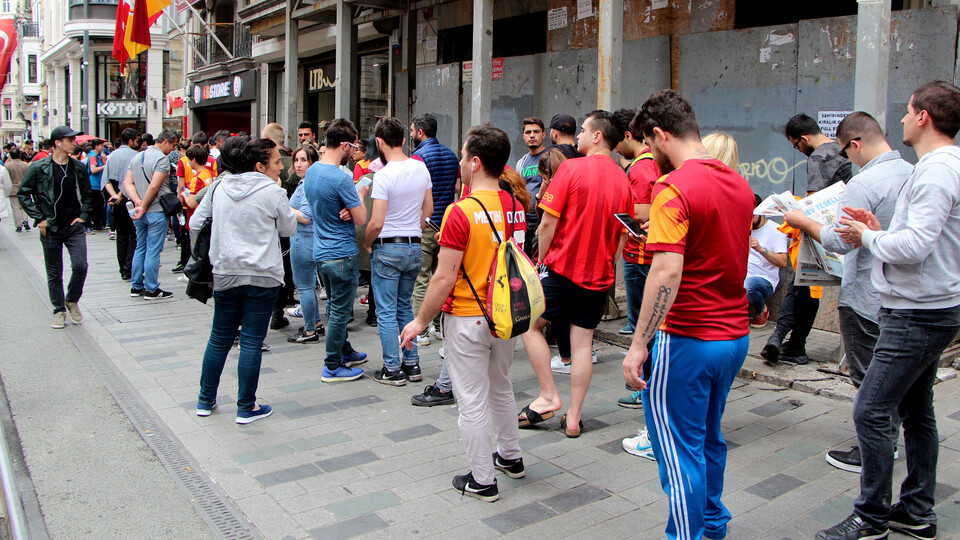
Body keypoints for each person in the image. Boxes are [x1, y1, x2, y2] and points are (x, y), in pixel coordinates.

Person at [817, 81, 960, 540]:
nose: (900, 119)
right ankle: (916, 511)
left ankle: (872, 517)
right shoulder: (938, 166)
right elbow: (924, 235)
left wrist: (867, 238)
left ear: (924, 117)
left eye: (908, 111)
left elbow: (916, 247)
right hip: (929, 307)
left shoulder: (937, 170)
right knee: (918, 412)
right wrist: (880, 229)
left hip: (916, 313)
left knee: (871, 410)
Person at [623, 90, 754, 540]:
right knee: (707, 438)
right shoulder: (738, 182)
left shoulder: (673, 185)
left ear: (660, 136)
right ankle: (713, 521)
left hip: (688, 338)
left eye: (647, 144)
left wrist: (639, 343)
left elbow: (666, 270)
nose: (648, 154)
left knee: (678, 451)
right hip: (733, 337)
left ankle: (687, 535)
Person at [400, 124, 526, 503]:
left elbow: (443, 277)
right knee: (501, 386)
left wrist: (420, 320)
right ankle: (511, 456)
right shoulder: (517, 205)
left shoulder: (461, 212)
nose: (458, 162)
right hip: (505, 316)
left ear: (474, 162)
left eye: (461, 155)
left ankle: (482, 480)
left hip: (468, 317)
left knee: (470, 398)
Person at [784, 111, 913, 477]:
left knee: (867, 380)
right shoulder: (910, 172)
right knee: (887, 377)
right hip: (896, 294)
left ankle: (875, 449)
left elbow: (840, 239)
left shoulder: (864, 183)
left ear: (855, 144)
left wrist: (804, 221)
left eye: (845, 151)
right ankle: (888, 440)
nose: (846, 159)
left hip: (865, 295)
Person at [519, 110, 633, 437]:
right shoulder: (622, 178)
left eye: (583, 130)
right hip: (598, 276)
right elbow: (623, 235)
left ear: (598, 136)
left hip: (562, 269)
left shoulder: (570, 168)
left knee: (529, 324)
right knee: (583, 345)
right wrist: (609, 261)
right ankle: (573, 418)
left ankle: (548, 394)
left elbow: (548, 222)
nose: (578, 135)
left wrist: (542, 258)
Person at [191, 136, 297, 424]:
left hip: (225, 271)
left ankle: (204, 400)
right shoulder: (273, 192)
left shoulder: (219, 187)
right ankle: (245, 407)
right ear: (260, 166)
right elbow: (288, 228)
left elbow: (194, 222)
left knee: (219, 338)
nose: (281, 167)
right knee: (251, 341)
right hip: (262, 275)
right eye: (277, 162)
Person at [763, 113, 854, 364]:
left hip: (820, 233)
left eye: (796, 145)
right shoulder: (841, 150)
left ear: (804, 138)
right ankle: (791, 343)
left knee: (801, 285)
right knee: (806, 289)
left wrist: (793, 211)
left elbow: (813, 202)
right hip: (842, 231)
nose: (798, 150)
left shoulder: (819, 156)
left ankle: (785, 340)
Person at [363, 117, 432, 386]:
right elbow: (428, 211)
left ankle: (392, 368)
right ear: (404, 139)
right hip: (414, 245)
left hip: (388, 247)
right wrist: (414, 230)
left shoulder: (383, 176)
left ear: (379, 142)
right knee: (405, 307)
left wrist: (367, 242)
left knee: (386, 310)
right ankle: (412, 364)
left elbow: (376, 222)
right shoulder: (420, 169)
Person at [302, 118, 370, 383]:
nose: (354, 151)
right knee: (340, 311)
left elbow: (325, 206)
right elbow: (361, 218)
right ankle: (332, 365)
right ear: (343, 146)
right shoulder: (340, 179)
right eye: (352, 146)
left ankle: (344, 350)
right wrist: (359, 194)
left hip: (321, 251)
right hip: (342, 253)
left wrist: (347, 206)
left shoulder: (312, 172)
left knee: (334, 306)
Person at [17, 126, 96, 329]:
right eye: (70, 140)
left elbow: (88, 195)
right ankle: (58, 310)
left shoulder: (77, 167)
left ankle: (72, 300)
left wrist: (83, 216)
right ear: (58, 143)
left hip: (74, 226)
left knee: (80, 266)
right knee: (54, 271)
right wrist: (39, 218)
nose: (75, 143)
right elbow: (24, 193)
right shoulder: (39, 167)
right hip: (50, 226)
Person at [409, 113, 460, 347]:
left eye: (412, 131)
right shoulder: (451, 155)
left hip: (427, 224)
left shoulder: (418, 157)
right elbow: (458, 187)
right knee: (444, 276)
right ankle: (440, 325)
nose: (410, 135)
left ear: (421, 132)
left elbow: (415, 193)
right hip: (448, 224)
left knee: (422, 277)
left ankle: (420, 329)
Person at [124, 129, 179, 300]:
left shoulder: (136, 157)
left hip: (139, 212)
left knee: (141, 246)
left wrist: (138, 202)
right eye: (173, 145)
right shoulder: (161, 159)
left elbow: (127, 183)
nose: (173, 149)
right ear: (166, 142)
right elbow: (154, 186)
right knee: (153, 250)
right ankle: (152, 288)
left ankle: (136, 285)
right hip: (155, 210)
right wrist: (144, 205)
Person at [285, 144, 326, 343]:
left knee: (304, 286)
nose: (299, 164)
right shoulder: (306, 183)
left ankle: (310, 330)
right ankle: (315, 322)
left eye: (304, 160)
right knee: (307, 285)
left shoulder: (308, 184)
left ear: (313, 163)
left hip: (304, 239)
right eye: (297, 160)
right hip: (307, 239)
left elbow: (305, 217)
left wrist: (283, 206)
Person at [261, 122, 297, 329]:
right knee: (286, 267)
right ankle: (279, 309)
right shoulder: (292, 163)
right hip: (290, 226)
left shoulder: (267, 165)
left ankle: (275, 311)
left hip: (272, 227)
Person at [104, 129, 140, 280]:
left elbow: (105, 180)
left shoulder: (112, 156)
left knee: (121, 235)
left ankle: (123, 270)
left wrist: (114, 195)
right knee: (134, 234)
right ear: (131, 141)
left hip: (117, 203)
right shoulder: (136, 156)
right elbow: (129, 182)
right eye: (137, 140)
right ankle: (129, 267)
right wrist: (120, 194)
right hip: (131, 200)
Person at [175, 144, 215, 272]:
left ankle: (194, 276)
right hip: (207, 215)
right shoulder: (208, 173)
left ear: (194, 160)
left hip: (196, 216)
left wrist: (183, 195)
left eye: (189, 159)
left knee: (195, 249)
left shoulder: (196, 178)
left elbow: (192, 203)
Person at [516, 117, 548, 260]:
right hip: (524, 219)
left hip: (543, 218)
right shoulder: (521, 162)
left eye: (536, 131)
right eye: (528, 132)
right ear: (523, 136)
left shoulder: (549, 157)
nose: (532, 135)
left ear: (544, 134)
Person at [5, 148, 29, 232]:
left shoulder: (7, 166)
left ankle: (18, 225)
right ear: (20, 155)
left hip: (13, 188)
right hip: (24, 188)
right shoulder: (26, 165)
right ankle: (25, 220)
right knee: (23, 206)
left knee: (15, 208)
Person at [86, 140, 107, 232]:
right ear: (96, 146)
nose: (103, 147)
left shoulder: (97, 156)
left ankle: (97, 224)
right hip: (93, 184)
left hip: (97, 184)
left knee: (98, 204)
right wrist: (105, 166)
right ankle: (94, 224)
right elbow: (93, 169)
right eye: (101, 146)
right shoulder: (93, 156)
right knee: (96, 205)